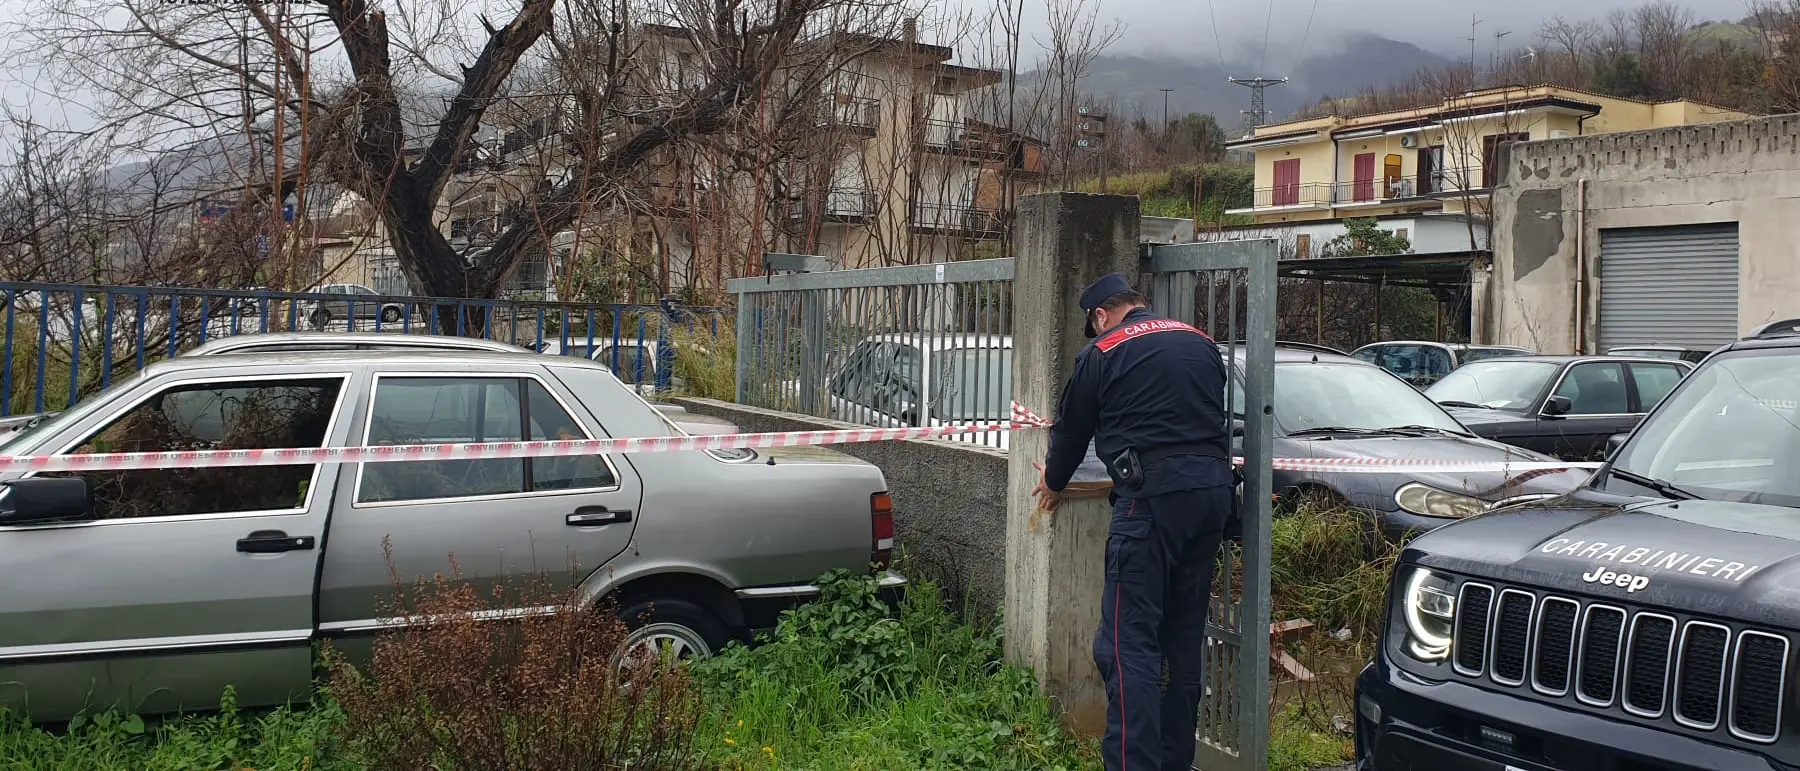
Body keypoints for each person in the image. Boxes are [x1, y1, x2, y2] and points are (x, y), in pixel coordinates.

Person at [1031, 272, 1234, 771]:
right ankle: (1174, 761)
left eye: (1094, 324)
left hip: (1151, 505)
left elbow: (1072, 432)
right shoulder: (1200, 341)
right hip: (1212, 499)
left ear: (1100, 316)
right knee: (1184, 640)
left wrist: (1053, 484)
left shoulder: (1102, 352)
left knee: (1128, 647)